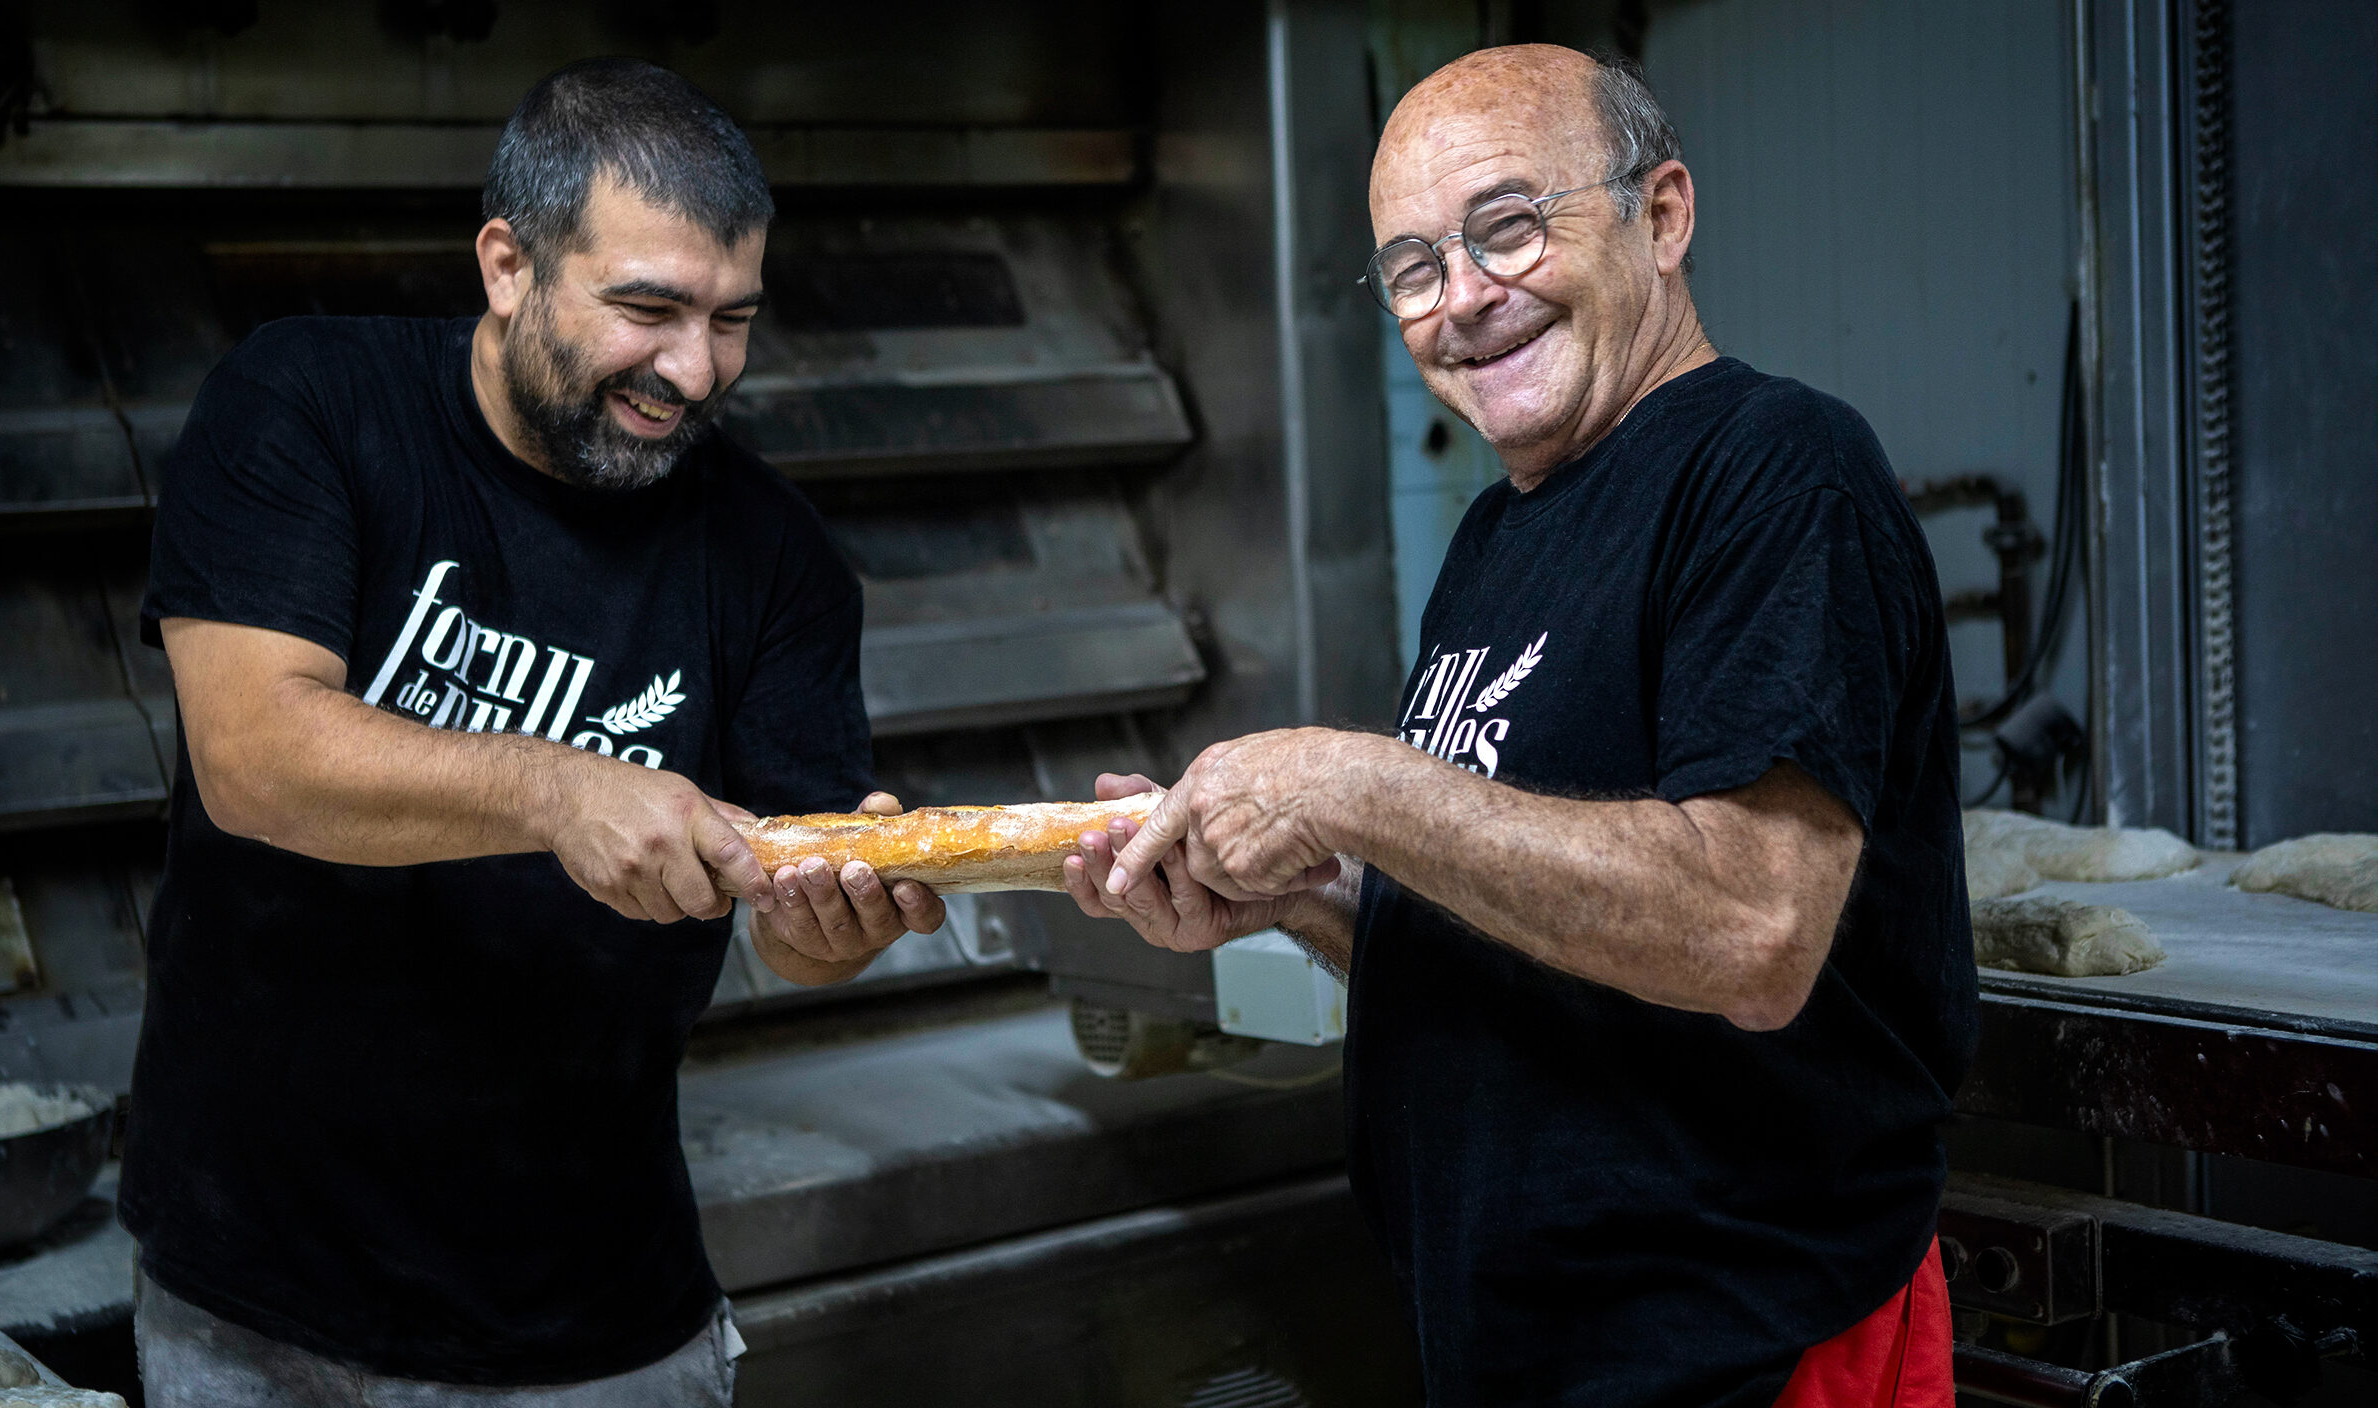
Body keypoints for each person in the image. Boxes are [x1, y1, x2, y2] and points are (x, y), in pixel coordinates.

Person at [1067, 46, 1973, 1408]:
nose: (1464, 303)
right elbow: (1528, 918)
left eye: (1506, 229)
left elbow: (1751, 933)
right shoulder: (1503, 533)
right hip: (1530, 1353)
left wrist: (1346, 781)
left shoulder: (1778, 472)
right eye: (1415, 269)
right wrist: (1299, 899)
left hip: (1745, 1351)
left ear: (1659, 216)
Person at [124, 58, 942, 1408]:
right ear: (508, 262)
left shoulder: (773, 556)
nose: (694, 371)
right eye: (649, 310)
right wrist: (564, 792)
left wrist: (833, 912)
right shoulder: (312, 405)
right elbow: (253, 759)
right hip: (252, 1304)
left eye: (733, 320)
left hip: (595, 1330)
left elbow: (793, 922)